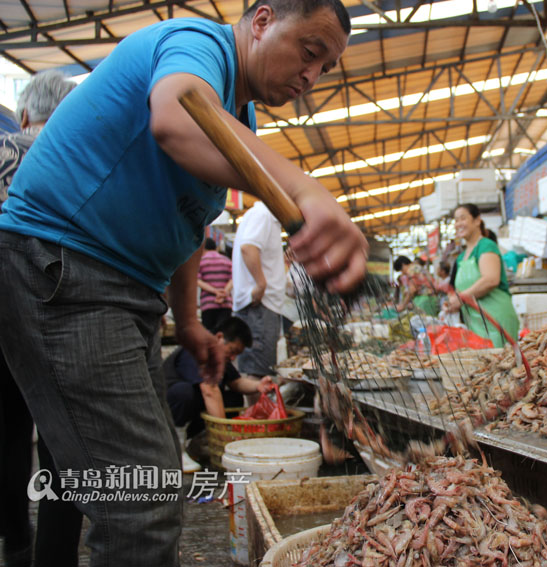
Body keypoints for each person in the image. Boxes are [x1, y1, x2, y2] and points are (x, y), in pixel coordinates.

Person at [0, 0, 367, 564]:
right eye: (309, 53)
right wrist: (307, 190)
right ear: (263, 20)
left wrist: (189, 320)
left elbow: (189, 222)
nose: (310, 77)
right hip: (65, 271)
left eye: (324, 70)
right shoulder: (200, 43)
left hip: (122, 292)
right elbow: (174, 118)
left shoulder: (237, 119)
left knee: (139, 479)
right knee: (140, 503)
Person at [0, 70, 79, 567]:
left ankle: (14, 543)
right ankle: (56, 558)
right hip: (66, 320)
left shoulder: (6, 148)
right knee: (62, 448)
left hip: (3, 313)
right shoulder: (80, 160)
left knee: (7, 435)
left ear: (25, 114)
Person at [165, 317, 273, 470]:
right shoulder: (198, 350)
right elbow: (209, 390)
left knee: (233, 398)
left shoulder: (221, 357)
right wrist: (224, 436)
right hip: (167, 410)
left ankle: (200, 444)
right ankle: (176, 450)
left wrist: (259, 385)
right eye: (232, 351)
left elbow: (236, 382)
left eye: (237, 355)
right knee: (183, 392)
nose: (233, 358)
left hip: (194, 412)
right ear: (220, 337)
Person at [446, 203, 519, 347]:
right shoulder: (461, 258)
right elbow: (461, 290)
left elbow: (491, 280)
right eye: (456, 220)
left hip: (496, 320)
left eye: (463, 218)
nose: (458, 224)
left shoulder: (486, 246)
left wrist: (461, 298)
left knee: (501, 363)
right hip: (475, 323)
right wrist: (452, 302)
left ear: (477, 220)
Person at [232, 201, 287, 379]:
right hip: (260, 307)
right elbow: (248, 248)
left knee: (257, 370)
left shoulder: (260, 216)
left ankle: (257, 407)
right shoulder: (263, 215)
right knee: (258, 372)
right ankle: (257, 408)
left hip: (261, 307)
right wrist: (261, 284)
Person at [197, 237, 233, 331]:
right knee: (223, 334)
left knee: (209, 334)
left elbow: (198, 281)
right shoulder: (227, 260)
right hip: (226, 303)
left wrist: (215, 291)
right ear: (216, 248)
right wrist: (224, 292)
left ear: (203, 249)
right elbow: (233, 279)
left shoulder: (201, 262)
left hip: (208, 303)